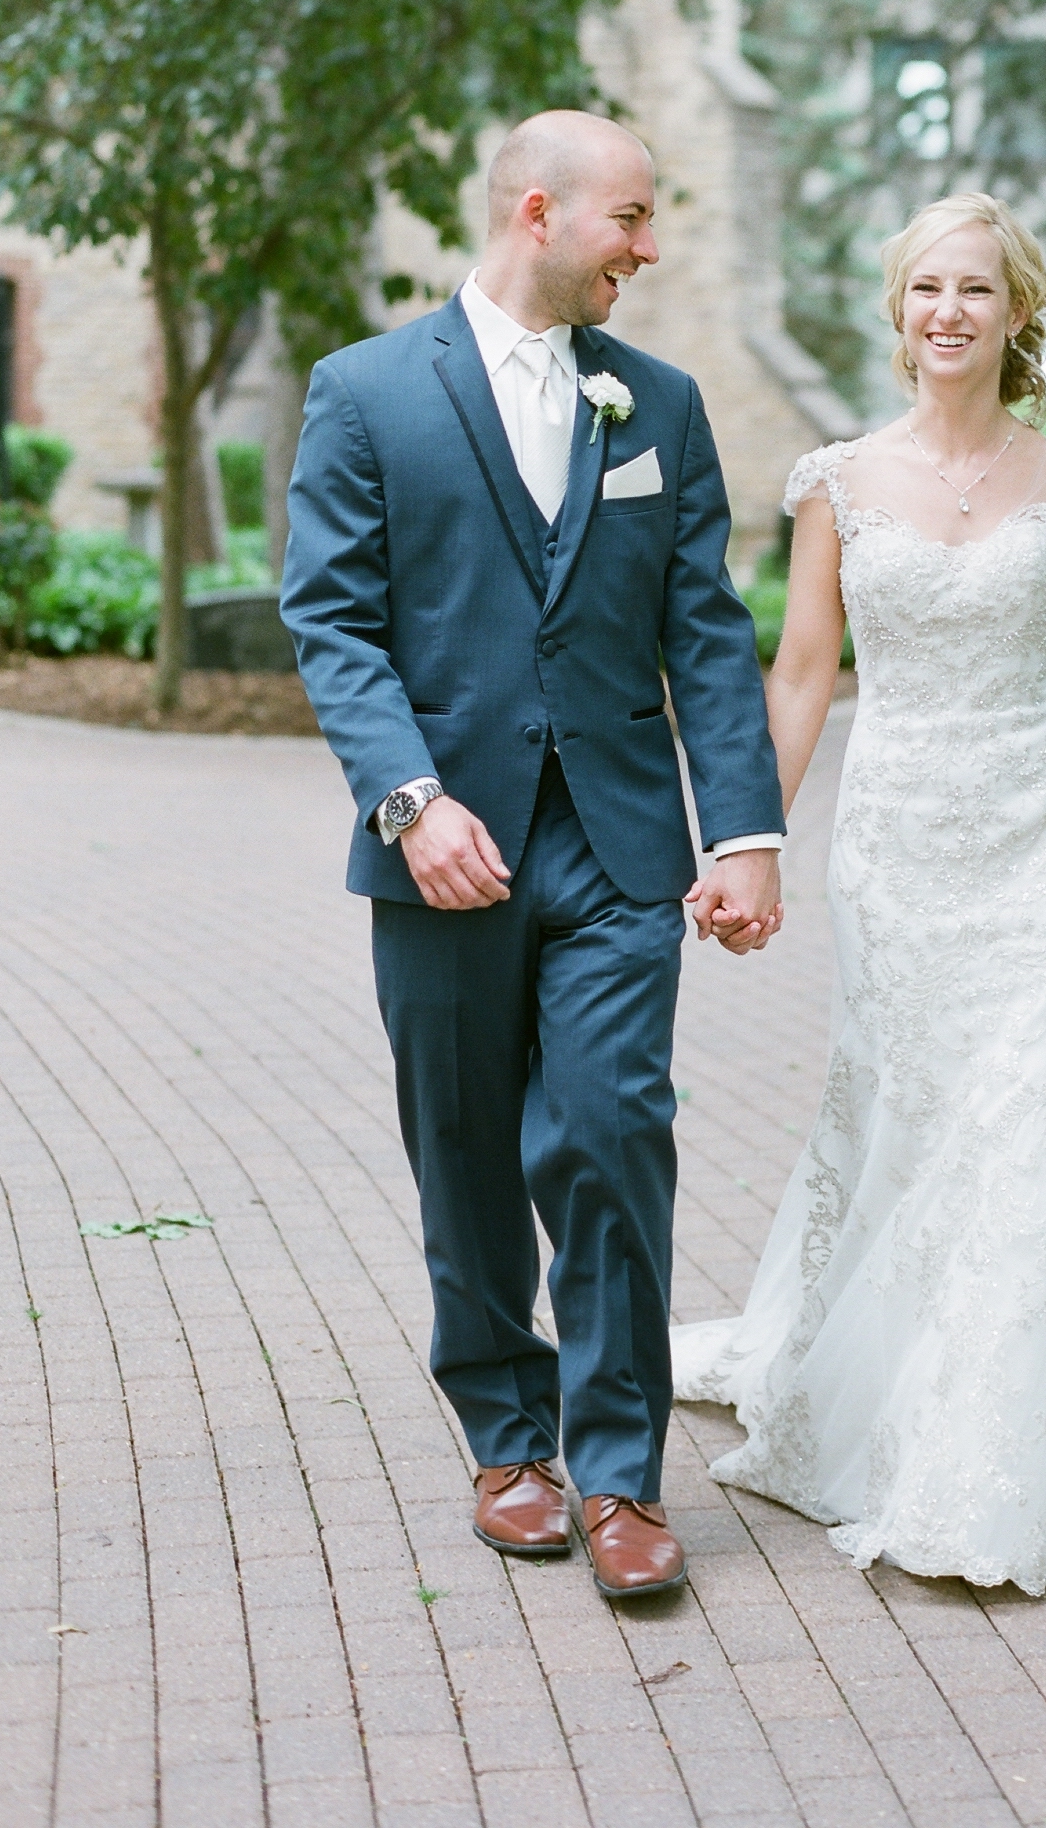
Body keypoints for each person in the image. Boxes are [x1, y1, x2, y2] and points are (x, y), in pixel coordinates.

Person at [281, 111, 785, 1606]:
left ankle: (620, 1471)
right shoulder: (366, 392)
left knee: (614, 1131)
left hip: (623, 848)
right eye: (629, 218)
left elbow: (705, 629)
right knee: (465, 1150)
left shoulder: (663, 405)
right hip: (448, 846)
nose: (648, 247)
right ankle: (509, 1439)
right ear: (540, 208)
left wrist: (745, 832)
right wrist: (410, 802)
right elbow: (334, 620)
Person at [672, 190, 1046, 1596]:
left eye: (976, 289)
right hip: (899, 839)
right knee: (917, 1113)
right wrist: (744, 837)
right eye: (926, 290)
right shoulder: (838, 481)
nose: (949, 312)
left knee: (1030, 1113)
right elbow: (799, 678)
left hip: (1037, 833)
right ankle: (887, 1389)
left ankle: (1000, 1456)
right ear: (898, 314)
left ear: (1019, 312)